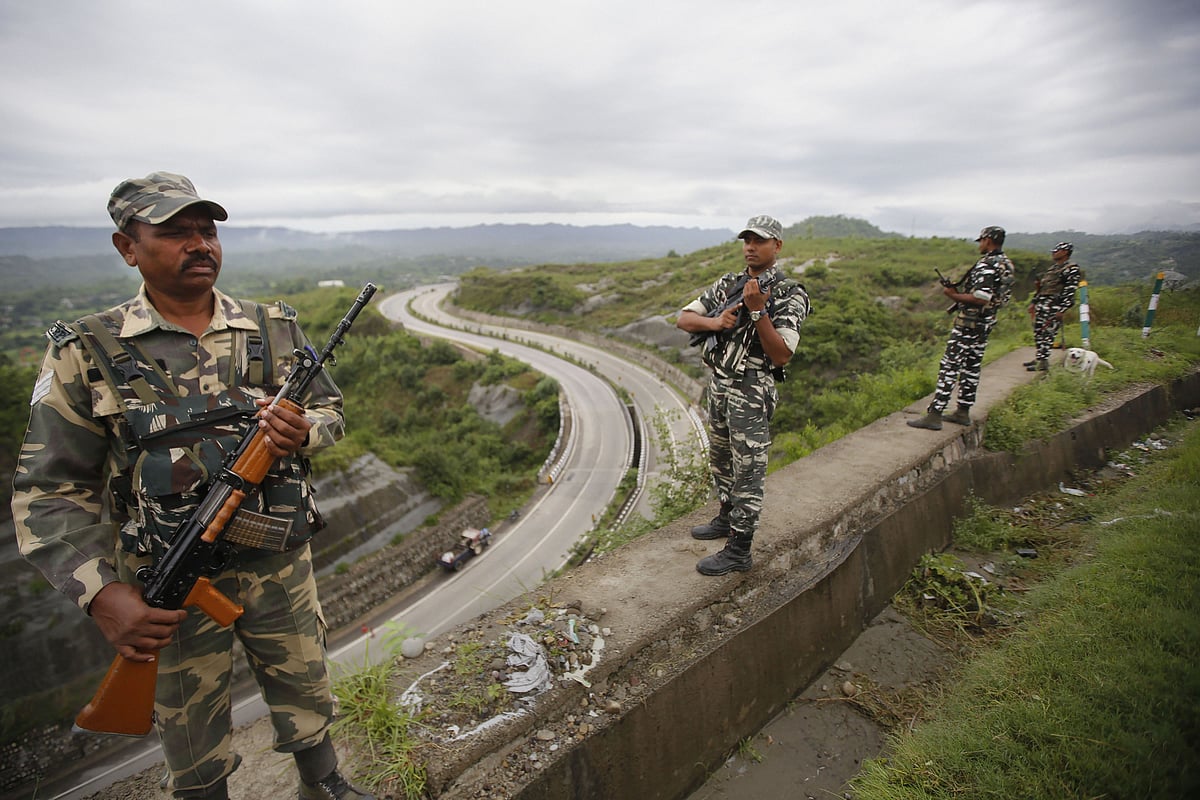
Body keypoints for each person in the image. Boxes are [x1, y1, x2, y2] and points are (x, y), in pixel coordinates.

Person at [10, 172, 373, 800]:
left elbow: (331, 412)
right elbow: (46, 492)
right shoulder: (86, 350)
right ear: (128, 247)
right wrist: (100, 594)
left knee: (307, 686)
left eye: (207, 230)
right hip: (166, 581)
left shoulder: (272, 327)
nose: (199, 243)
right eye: (175, 232)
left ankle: (326, 785)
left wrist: (301, 430)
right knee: (189, 726)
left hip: (278, 564)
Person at [676, 215, 810, 576]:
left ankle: (739, 548)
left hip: (751, 387)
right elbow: (685, 319)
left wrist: (757, 312)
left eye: (759, 240)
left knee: (748, 470)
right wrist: (716, 323)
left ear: (777, 246)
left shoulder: (789, 293)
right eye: (747, 240)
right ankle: (725, 515)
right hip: (719, 384)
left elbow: (782, 354)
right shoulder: (729, 284)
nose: (750, 246)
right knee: (721, 459)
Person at [908, 225, 1015, 431]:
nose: (980, 245)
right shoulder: (1006, 263)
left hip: (969, 323)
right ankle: (963, 411)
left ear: (988, 240)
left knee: (950, 365)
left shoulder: (987, 265)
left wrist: (953, 295)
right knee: (972, 366)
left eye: (982, 240)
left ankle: (935, 414)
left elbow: (980, 297)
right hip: (986, 322)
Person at [1024, 241, 1083, 372]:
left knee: (1047, 334)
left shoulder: (1071, 269)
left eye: (1056, 251)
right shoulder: (1053, 269)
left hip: (1054, 306)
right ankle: (1040, 358)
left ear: (1065, 253)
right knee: (1038, 332)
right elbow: (1043, 288)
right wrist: (1034, 302)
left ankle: (1043, 363)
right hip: (1042, 305)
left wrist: (1062, 309)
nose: (1053, 253)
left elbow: (1070, 290)